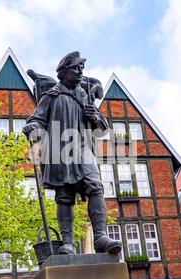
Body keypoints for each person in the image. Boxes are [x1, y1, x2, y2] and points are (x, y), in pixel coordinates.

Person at [23, 51, 122, 255]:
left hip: (84, 149)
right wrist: (32, 128)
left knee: (95, 186)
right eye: (76, 68)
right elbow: (37, 118)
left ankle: (100, 237)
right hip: (60, 151)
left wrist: (95, 116)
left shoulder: (85, 95)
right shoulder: (52, 95)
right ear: (64, 72)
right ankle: (67, 242)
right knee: (64, 196)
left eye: (81, 68)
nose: (80, 72)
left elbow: (103, 128)